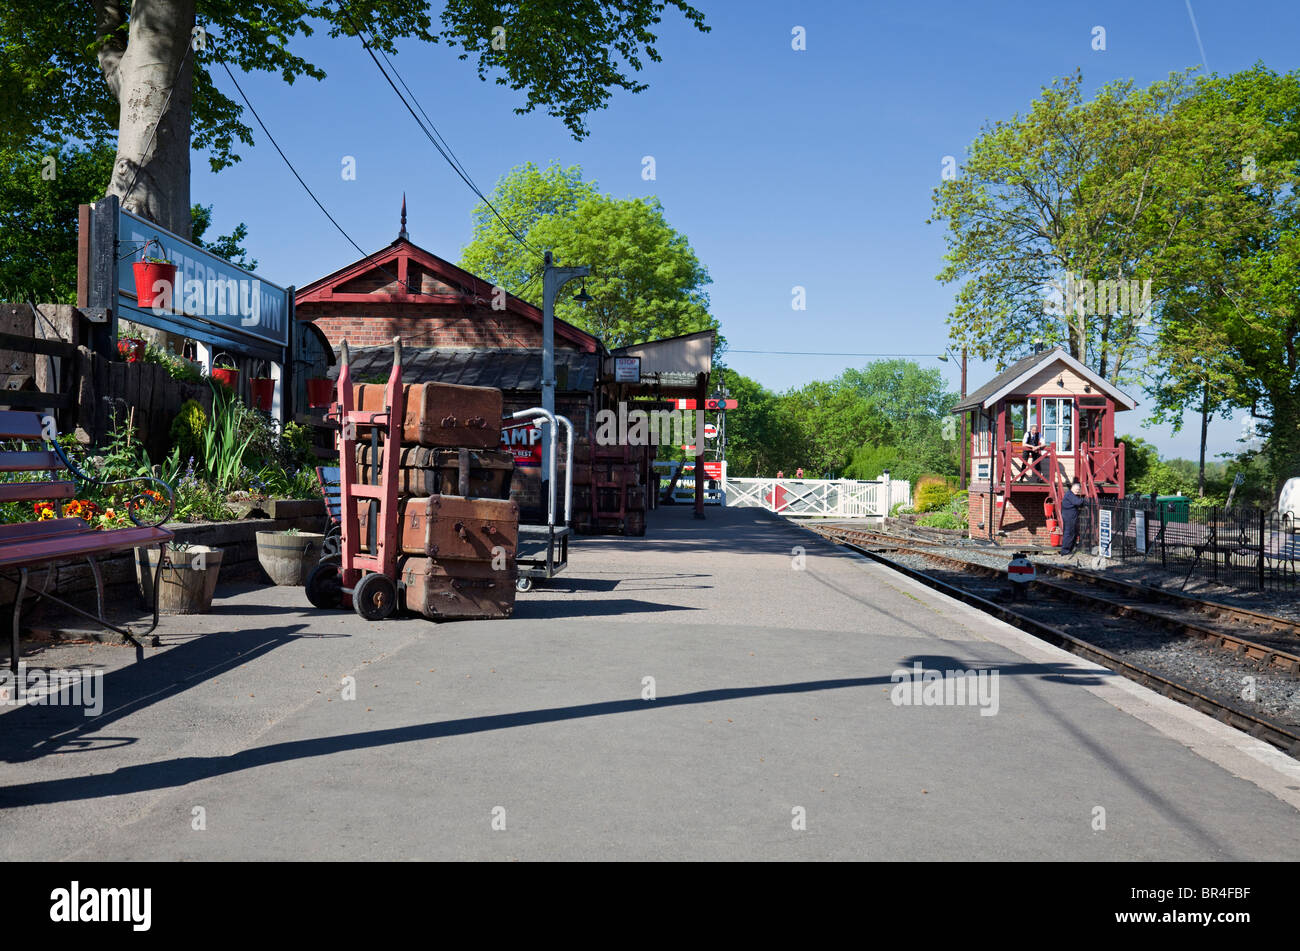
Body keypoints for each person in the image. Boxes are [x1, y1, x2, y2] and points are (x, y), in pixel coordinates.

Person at [1059, 478, 1086, 556]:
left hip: (1071, 517)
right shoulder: (1070, 495)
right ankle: (1065, 551)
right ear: (1072, 488)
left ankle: (1069, 549)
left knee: (1073, 533)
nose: (1078, 491)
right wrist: (1084, 500)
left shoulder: (1070, 495)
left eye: (1079, 490)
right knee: (1069, 533)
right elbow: (1077, 502)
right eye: (1077, 489)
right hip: (1069, 518)